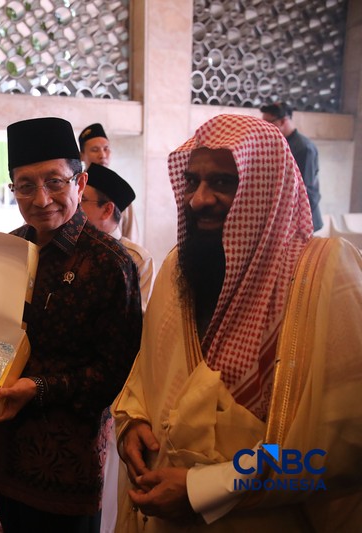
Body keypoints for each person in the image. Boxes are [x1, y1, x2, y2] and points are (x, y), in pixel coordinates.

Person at [112, 114, 362, 532]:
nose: (199, 199)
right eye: (192, 181)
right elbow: (149, 374)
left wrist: (202, 488)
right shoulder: (180, 267)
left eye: (224, 183)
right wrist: (134, 421)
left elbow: (345, 444)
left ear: (265, 187)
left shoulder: (325, 273)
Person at [0, 117, 143, 532]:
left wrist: (40, 388)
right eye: (25, 185)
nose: (41, 198)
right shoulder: (7, 250)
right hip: (3, 443)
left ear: (80, 183)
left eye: (55, 182)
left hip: (66, 460)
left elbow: (117, 373)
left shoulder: (110, 262)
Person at [81, 163, 155, 311]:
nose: (75, 206)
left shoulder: (137, 260)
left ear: (107, 210)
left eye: (82, 200)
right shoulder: (69, 244)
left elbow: (138, 319)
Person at [260, 102, 323, 231]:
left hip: (302, 221)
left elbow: (305, 191)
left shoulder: (303, 148)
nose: (264, 128)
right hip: (286, 219)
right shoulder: (279, 143)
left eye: (268, 124)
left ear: (283, 121)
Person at [79, 122, 139, 242]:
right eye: (95, 150)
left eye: (106, 149)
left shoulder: (119, 190)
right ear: (81, 156)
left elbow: (132, 236)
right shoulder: (75, 187)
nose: (102, 155)